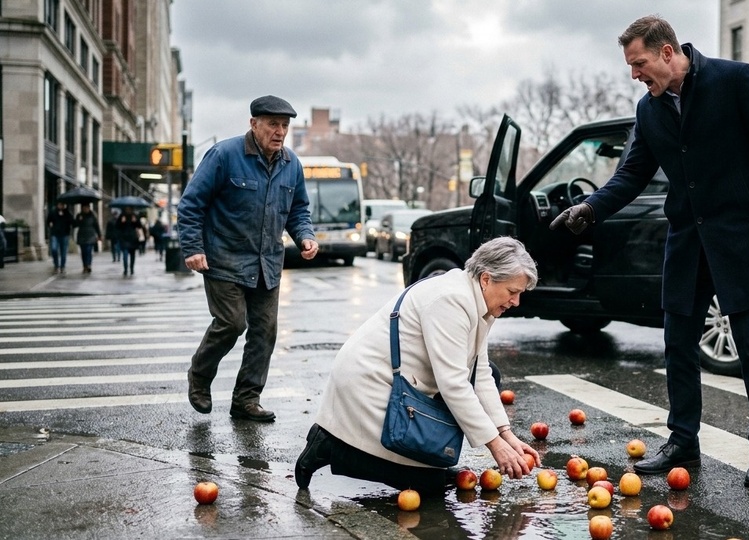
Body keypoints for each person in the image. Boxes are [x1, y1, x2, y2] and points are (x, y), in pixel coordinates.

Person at [550, 16, 749, 487]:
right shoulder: (650, 110)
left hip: (744, 238)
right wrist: (591, 208)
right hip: (687, 239)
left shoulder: (735, 80)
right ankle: (683, 440)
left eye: (639, 63)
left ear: (667, 53)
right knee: (678, 343)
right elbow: (632, 173)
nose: (634, 75)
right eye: (630, 66)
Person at [294, 237, 541, 494]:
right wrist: (495, 445)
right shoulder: (452, 300)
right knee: (428, 485)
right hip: (371, 382)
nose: (516, 302)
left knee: (436, 472)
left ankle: (424, 464)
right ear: (487, 279)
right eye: (513, 292)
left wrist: (506, 435)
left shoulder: (477, 298)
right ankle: (328, 447)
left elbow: (479, 372)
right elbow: (454, 384)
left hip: (404, 379)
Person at [177, 95, 318, 422]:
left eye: (284, 125)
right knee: (232, 323)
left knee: (265, 332)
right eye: (272, 124)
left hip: (267, 263)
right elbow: (191, 205)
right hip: (223, 259)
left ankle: (246, 399)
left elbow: (298, 210)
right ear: (253, 124)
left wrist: (305, 236)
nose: (279, 131)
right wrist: (192, 248)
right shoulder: (224, 156)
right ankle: (199, 374)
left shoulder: (291, 164)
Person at [115, 206, 144, 276]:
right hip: (124, 238)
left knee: (132, 255)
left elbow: (140, 226)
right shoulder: (121, 216)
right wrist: (122, 222)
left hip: (133, 238)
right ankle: (125, 269)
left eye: (129, 209)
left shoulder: (135, 216)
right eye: (126, 209)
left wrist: (135, 221)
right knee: (125, 254)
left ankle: (131, 268)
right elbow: (116, 226)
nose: (128, 210)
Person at [47, 202, 74, 273]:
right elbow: (48, 220)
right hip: (55, 234)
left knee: (63, 252)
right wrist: (50, 225)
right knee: (54, 249)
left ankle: (62, 266)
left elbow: (72, 222)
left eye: (63, 205)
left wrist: (66, 215)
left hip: (65, 234)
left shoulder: (67, 213)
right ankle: (56, 265)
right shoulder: (53, 211)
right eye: (60, 204)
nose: (61, 206)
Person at [74, 203, 102, 273]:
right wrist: (79, 220)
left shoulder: (93, 216)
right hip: (82, 235)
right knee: (83, 252)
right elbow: (75, 225)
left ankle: (89, 264)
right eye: (84, 208)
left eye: (87, 207)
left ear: (89, 208)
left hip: (91, 235)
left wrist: (99, 235)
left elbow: (96, 226)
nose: (85, 209)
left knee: (89, 251)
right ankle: (85, 265)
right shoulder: (79, 215)